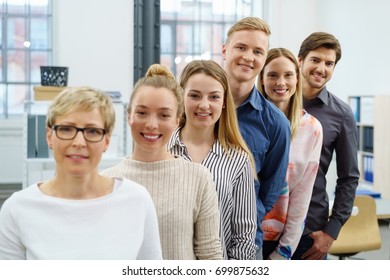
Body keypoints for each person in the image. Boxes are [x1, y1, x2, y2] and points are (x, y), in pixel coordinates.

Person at [0, 87, 162, 260]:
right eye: (67, 129)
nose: (79, 142)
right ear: (49, 136)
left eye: (92, 131)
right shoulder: (17, 208)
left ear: (106, 141)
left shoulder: (137, 200)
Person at [101, 64, 223, 260]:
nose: (151, 124)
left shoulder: (198, 178)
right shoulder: (106, 181)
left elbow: (210, 255)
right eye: (142, 112)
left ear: (177, 120)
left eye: (164, 115)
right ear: (128, 116)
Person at [168, 60, 257, 260]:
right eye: (194, 95)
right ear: (181, 97)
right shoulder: (161, 150)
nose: (204, 105)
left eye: (214, 97)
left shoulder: (238, 161)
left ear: (224, 102)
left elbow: (243, 237)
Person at [222, 16, 291, 259]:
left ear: (264, 59)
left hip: (244, 241)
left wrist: (245, 216)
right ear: (225, 50)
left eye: (258, 51)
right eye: (241, 47)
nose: (249, 57)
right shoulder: (198, 108)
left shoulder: (276, 124)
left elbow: (270, 190)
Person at [292, 32, 360, 260]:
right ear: (300, 60)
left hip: (310, 228)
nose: (322, 68)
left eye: (329, 63)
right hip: (267, 223)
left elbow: (349, 177)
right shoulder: (275, 101)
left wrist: (331, 232)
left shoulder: (341, 114)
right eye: (315, 60)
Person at [257, 48, 323, 260]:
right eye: (273, 75)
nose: (280, 82)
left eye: (288, 75)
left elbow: (302, 196)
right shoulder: (247, 122)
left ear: (297, 78)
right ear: (262, 79)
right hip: (245, 234)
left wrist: (284, 251)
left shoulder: (311, 128)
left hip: (285, 239)